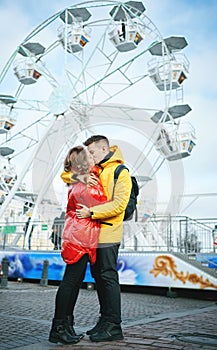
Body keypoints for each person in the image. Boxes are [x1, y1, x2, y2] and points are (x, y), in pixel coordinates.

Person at [49, 146, 107, 345]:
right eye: (89, 156)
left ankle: (65, 325)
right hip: (81, 238)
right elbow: (103, 201)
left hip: (78, 235)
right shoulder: (85, 183)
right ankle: (58, 327)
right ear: (83, 162)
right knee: (71, 282)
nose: (93, 158)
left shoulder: (77, 180)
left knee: (72, 282)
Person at [76, 135, 132, 342]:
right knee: (99, 277)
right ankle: (104, 320)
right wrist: (80, 178)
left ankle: (114, 326)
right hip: (92, 233)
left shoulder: (120, 171)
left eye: (92, 152)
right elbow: (67, 175)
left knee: (108, 277)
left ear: (104, 149)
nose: (89, 156)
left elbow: (119, 205)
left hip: (108, 232)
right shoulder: (96, 170)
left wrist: (91, 212)